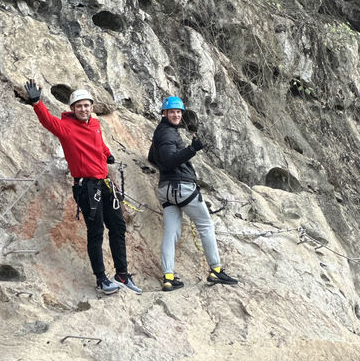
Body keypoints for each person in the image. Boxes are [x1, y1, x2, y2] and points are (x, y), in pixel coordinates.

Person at [22, 80, 141, 295]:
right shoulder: (66, 128)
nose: (83, 109)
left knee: (118, 228)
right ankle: (101, 279)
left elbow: (99, 143)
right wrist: (37, 102)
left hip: (105, 184)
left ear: (92, 107)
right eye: (79, 106)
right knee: (95, 233)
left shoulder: (95, 125)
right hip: (87, 189)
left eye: (87, 105)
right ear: (72, 109)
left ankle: (122, 274)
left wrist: (107, 154)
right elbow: (47, 121)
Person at [149, 95, 238, 291]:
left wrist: (169, 171)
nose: (176, 115)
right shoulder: (168, 134)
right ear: (164, 113)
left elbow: (152, 158)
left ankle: (169, 277)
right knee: (205, 225)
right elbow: (169, 160)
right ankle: (215, 270)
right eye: (172, 112)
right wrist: (192, 149)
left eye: (178, 112)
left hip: (167, 190)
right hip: (181, 187)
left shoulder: (161, 132)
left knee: (171, 232)